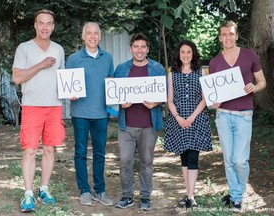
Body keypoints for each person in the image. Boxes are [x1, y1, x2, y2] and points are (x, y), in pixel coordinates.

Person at [209, 20, 266, 210]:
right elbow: (213, 93)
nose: (228, 37)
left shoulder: (249, 55)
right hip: (223, 115)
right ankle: (236, 198)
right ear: (220, 37)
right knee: (229, 159)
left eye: (231, 33)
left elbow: (262, 82)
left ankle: (238, 192)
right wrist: (214, 101)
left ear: (236, 35)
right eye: (224, 34)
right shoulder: (215, 62)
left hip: (243, 115)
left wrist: (254, 87)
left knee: (240, 160)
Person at [12, 9, 65, 213]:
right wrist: (41, 64)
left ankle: (44, 189)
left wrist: (72, 91)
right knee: (30, 150)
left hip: (54, 106)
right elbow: (17, 78)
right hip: (33, 106)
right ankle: (28, 193)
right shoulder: (24, 48)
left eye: (49, 23)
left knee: (50, 149)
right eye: (41, 23)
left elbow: (63, 79)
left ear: (53, 26)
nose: (45, 27)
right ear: (35, 25)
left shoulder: (59, 49)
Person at [114, 33, 165, 211]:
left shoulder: (157, 68)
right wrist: (121, 101)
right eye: (136, 47)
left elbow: (164, 94)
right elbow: (114, 92)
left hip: (148, 125)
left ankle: (145, 197)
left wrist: (156, 102)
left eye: (143, 47)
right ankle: (127, 196)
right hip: (126, 125)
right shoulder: (121, 69)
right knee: (125, 161)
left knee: (146, 162)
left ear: (147, 49)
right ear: (131, 49)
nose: (139, 50)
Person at [66, 22, 114, 206]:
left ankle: (100, 190)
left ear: (100, 37)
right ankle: (84, 190)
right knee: (80, 152)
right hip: (80, 113)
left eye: (96, 33)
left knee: (100, 153)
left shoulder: (107, 58)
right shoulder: (74, 58)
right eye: (89, 33)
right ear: (83, 36)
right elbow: (66, 85)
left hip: (101, 113)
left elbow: (111, 83)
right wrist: (69, 93)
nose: (92, 36)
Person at [164, 40, 212, 208]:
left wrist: (191, 117)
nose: (185, 55)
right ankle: (188, 194)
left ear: (193, 54)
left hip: (196, 119)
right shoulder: (172, 74)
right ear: (178, 54)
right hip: (178, 120)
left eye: (189, 52)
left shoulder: (201, 72)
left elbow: (205, 99)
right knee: (183, 158)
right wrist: (177, 117)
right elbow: (169, 100)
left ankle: (191, 197)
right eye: (182, 52)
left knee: (193, 157)